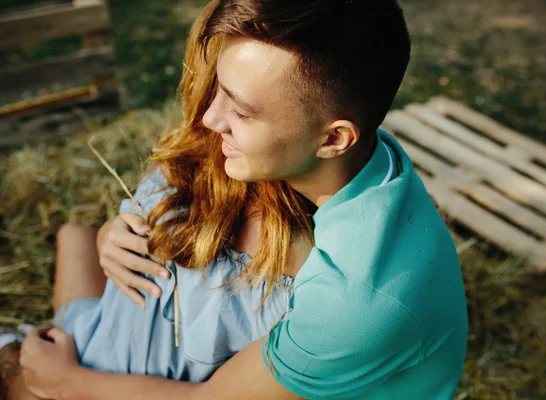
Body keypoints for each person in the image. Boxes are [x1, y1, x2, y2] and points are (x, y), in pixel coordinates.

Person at [5, 0, 468, 398]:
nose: (209, 118)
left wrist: (67, 383)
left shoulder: (354, 301)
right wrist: (113, 232)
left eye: (241, 111)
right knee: (72, 279)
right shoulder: (356, 156)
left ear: (333, 139)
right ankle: (77, 245)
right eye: (220, 93)